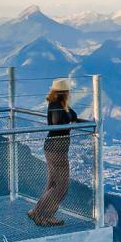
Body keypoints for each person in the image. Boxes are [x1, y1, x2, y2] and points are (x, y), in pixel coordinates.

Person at [28, 77, 79, 226]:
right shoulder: (57, 106)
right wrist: (69, 124)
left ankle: (40, 212)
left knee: (52, 184)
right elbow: (57, 123)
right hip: (57, 148)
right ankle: (42, 214)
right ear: (65, 92)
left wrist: (70, 116)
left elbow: (73, 116)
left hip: (53, 147)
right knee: (61, 186)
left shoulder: (58, 104)